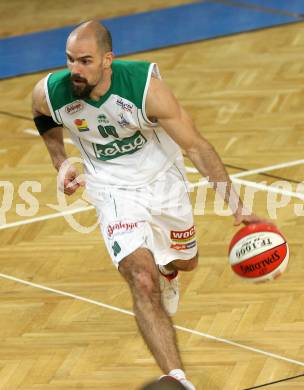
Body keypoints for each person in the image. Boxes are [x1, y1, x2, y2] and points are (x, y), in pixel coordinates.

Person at [32, 20, 265, 390]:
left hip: (163, 179)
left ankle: (170, 272)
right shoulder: (53, 91)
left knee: (185, 261)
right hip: (111, 188)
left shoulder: (145, 89)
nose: (75, 70)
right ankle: (177, 378)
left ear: (108, 59)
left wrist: (236, 206)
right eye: (70, 60)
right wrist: (60, 162)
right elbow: (42, 114)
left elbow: (196, 146)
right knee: (142, 278)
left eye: (86, 61)